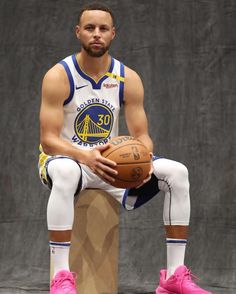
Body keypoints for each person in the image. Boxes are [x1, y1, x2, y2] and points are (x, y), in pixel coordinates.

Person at [38, 2, 212, 294]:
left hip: (109, 164)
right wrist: (85, 155)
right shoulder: (59, 75)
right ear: (78, 32)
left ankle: (173, 277)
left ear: (113, 34)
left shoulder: (127, 78)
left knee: (177, 172)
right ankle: (61, 277)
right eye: (90, 28)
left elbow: (142, 136)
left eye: (103, 28)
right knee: (66, 172)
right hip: (68, 159)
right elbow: (48, 139)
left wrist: (143, 161)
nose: (96, 34)